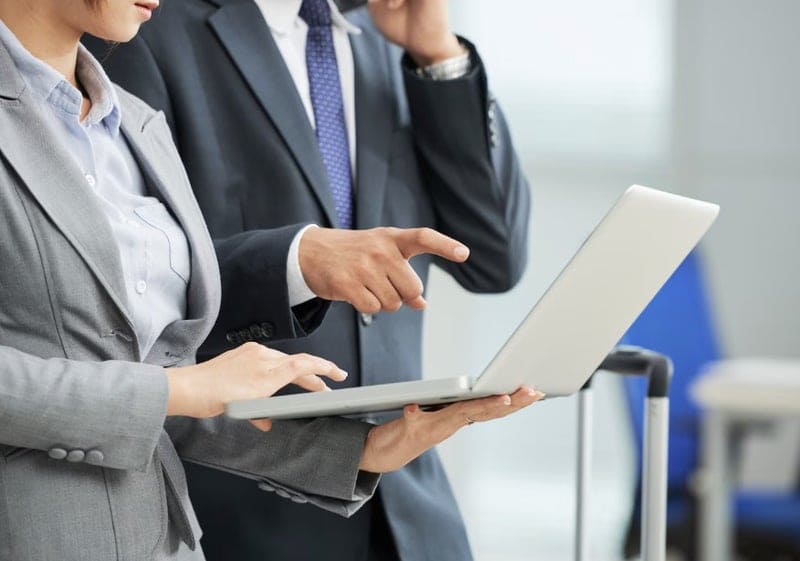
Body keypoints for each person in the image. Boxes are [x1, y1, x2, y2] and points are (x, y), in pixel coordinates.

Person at [0, 1, 542, 560]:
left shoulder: (129, 117)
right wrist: (292, 263)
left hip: (392, 501)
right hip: (224, 517)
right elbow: (144, 360)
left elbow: (492, 257)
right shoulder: (151, 34)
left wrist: (361, 451)